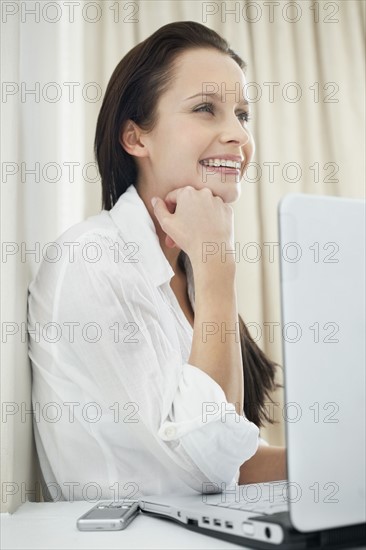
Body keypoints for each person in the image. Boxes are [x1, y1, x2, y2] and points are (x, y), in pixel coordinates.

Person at [27, 21, 286, 502]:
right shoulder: (94, 259)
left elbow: (233, 453)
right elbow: (206, 466)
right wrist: (217, 266)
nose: (237, 136)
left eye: (243, 115)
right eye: (206, 109)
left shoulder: (186, 272)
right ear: (135, 137)